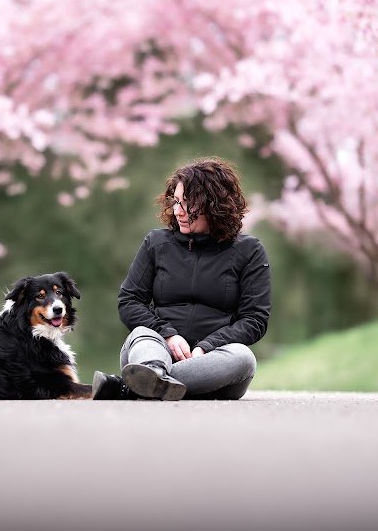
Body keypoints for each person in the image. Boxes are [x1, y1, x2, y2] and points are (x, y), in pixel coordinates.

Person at [92, 156, 271, 400]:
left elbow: (254, 319)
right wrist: (166, 333)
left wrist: (206, 347)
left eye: (187, 203)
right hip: (156, 349)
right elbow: (129, 300)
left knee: (243, 358)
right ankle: (153, 374)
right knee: (141, 335)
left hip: (211, 364)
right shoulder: (156, 243)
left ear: (214, 204)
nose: (177, 211)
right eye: (175, 202)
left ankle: (136, 385)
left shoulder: (248, 250)